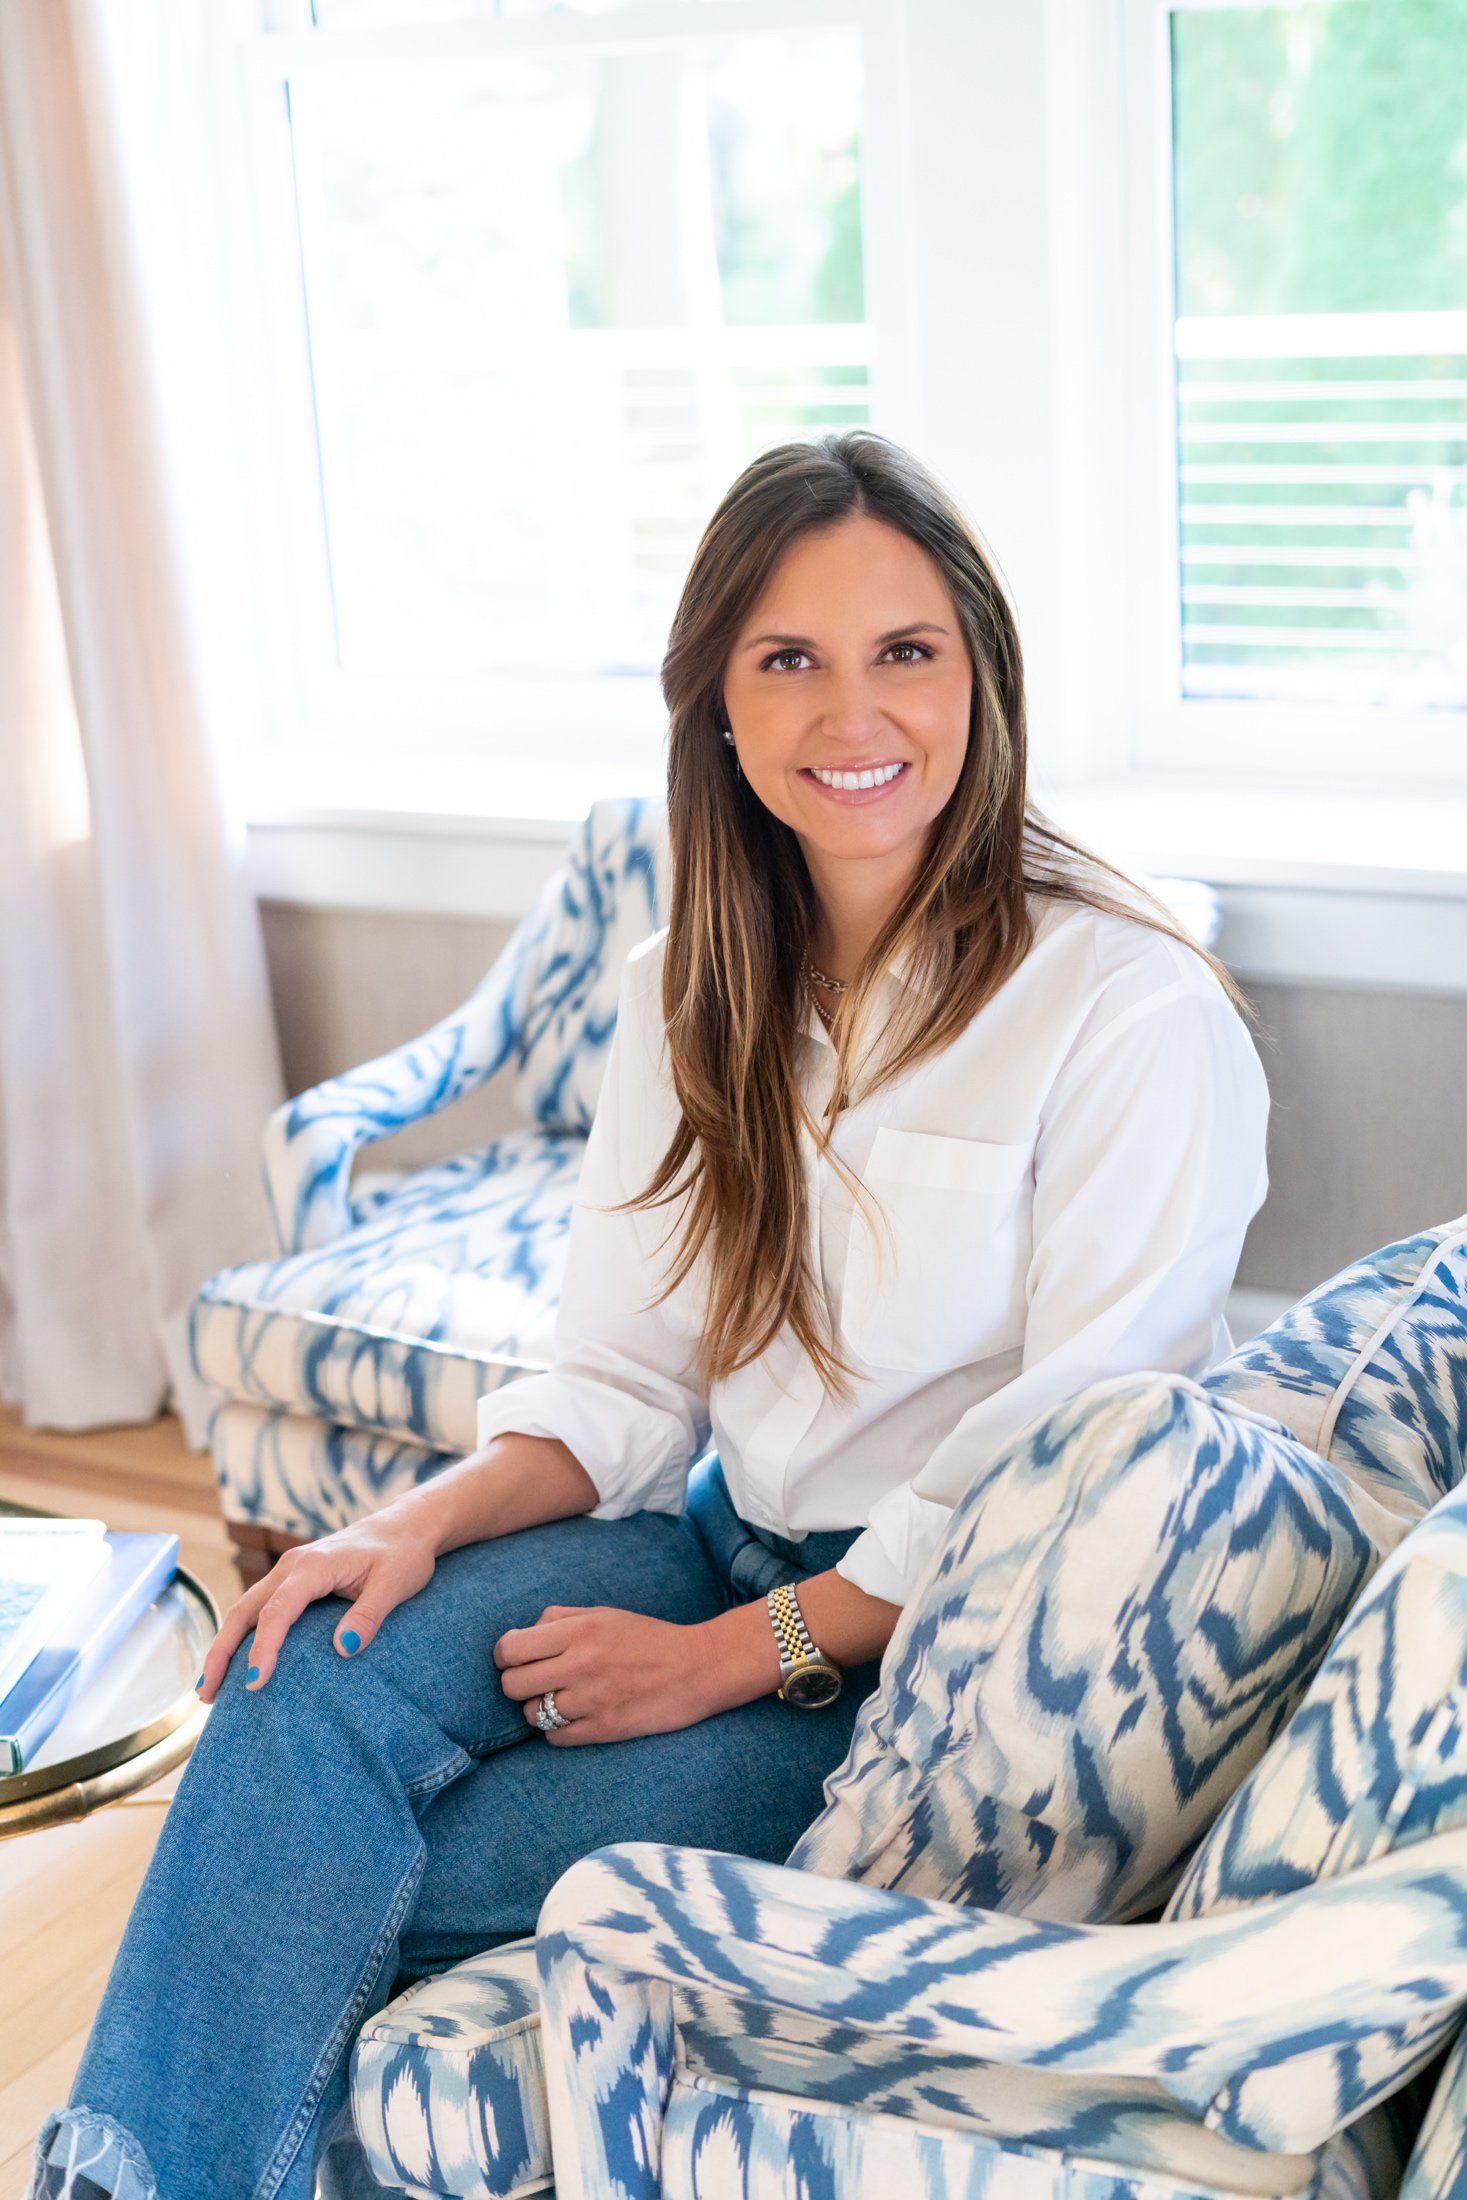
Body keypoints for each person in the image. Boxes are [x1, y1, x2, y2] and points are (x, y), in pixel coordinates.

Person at [26, 429, 1270, 2200]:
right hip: (704, 1539)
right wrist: (406, 1524)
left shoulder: (1132, 1010)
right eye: (791, 659)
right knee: (298, 1678)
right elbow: (620, 1374)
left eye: (907, 651)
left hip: (923, 1680)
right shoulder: (685, 984)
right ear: (721, 708)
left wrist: (727, 1661)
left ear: (983, 677)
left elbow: (1052, 1478)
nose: (854, 711)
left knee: (359, 1869)